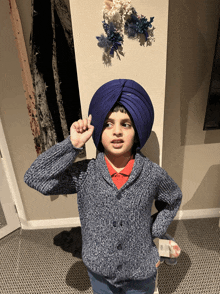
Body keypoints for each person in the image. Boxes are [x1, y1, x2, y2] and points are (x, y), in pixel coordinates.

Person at [24, 79, 182, 294]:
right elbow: (36, 178)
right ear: (99, 130)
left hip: (141, 270)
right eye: (108, 123)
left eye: (125, 124)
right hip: (100, 272)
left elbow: (173, 198)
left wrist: (156, 229)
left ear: (137, 130)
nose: (117, 131)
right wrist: (72, 144)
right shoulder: (84, 174)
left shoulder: (153, 174)